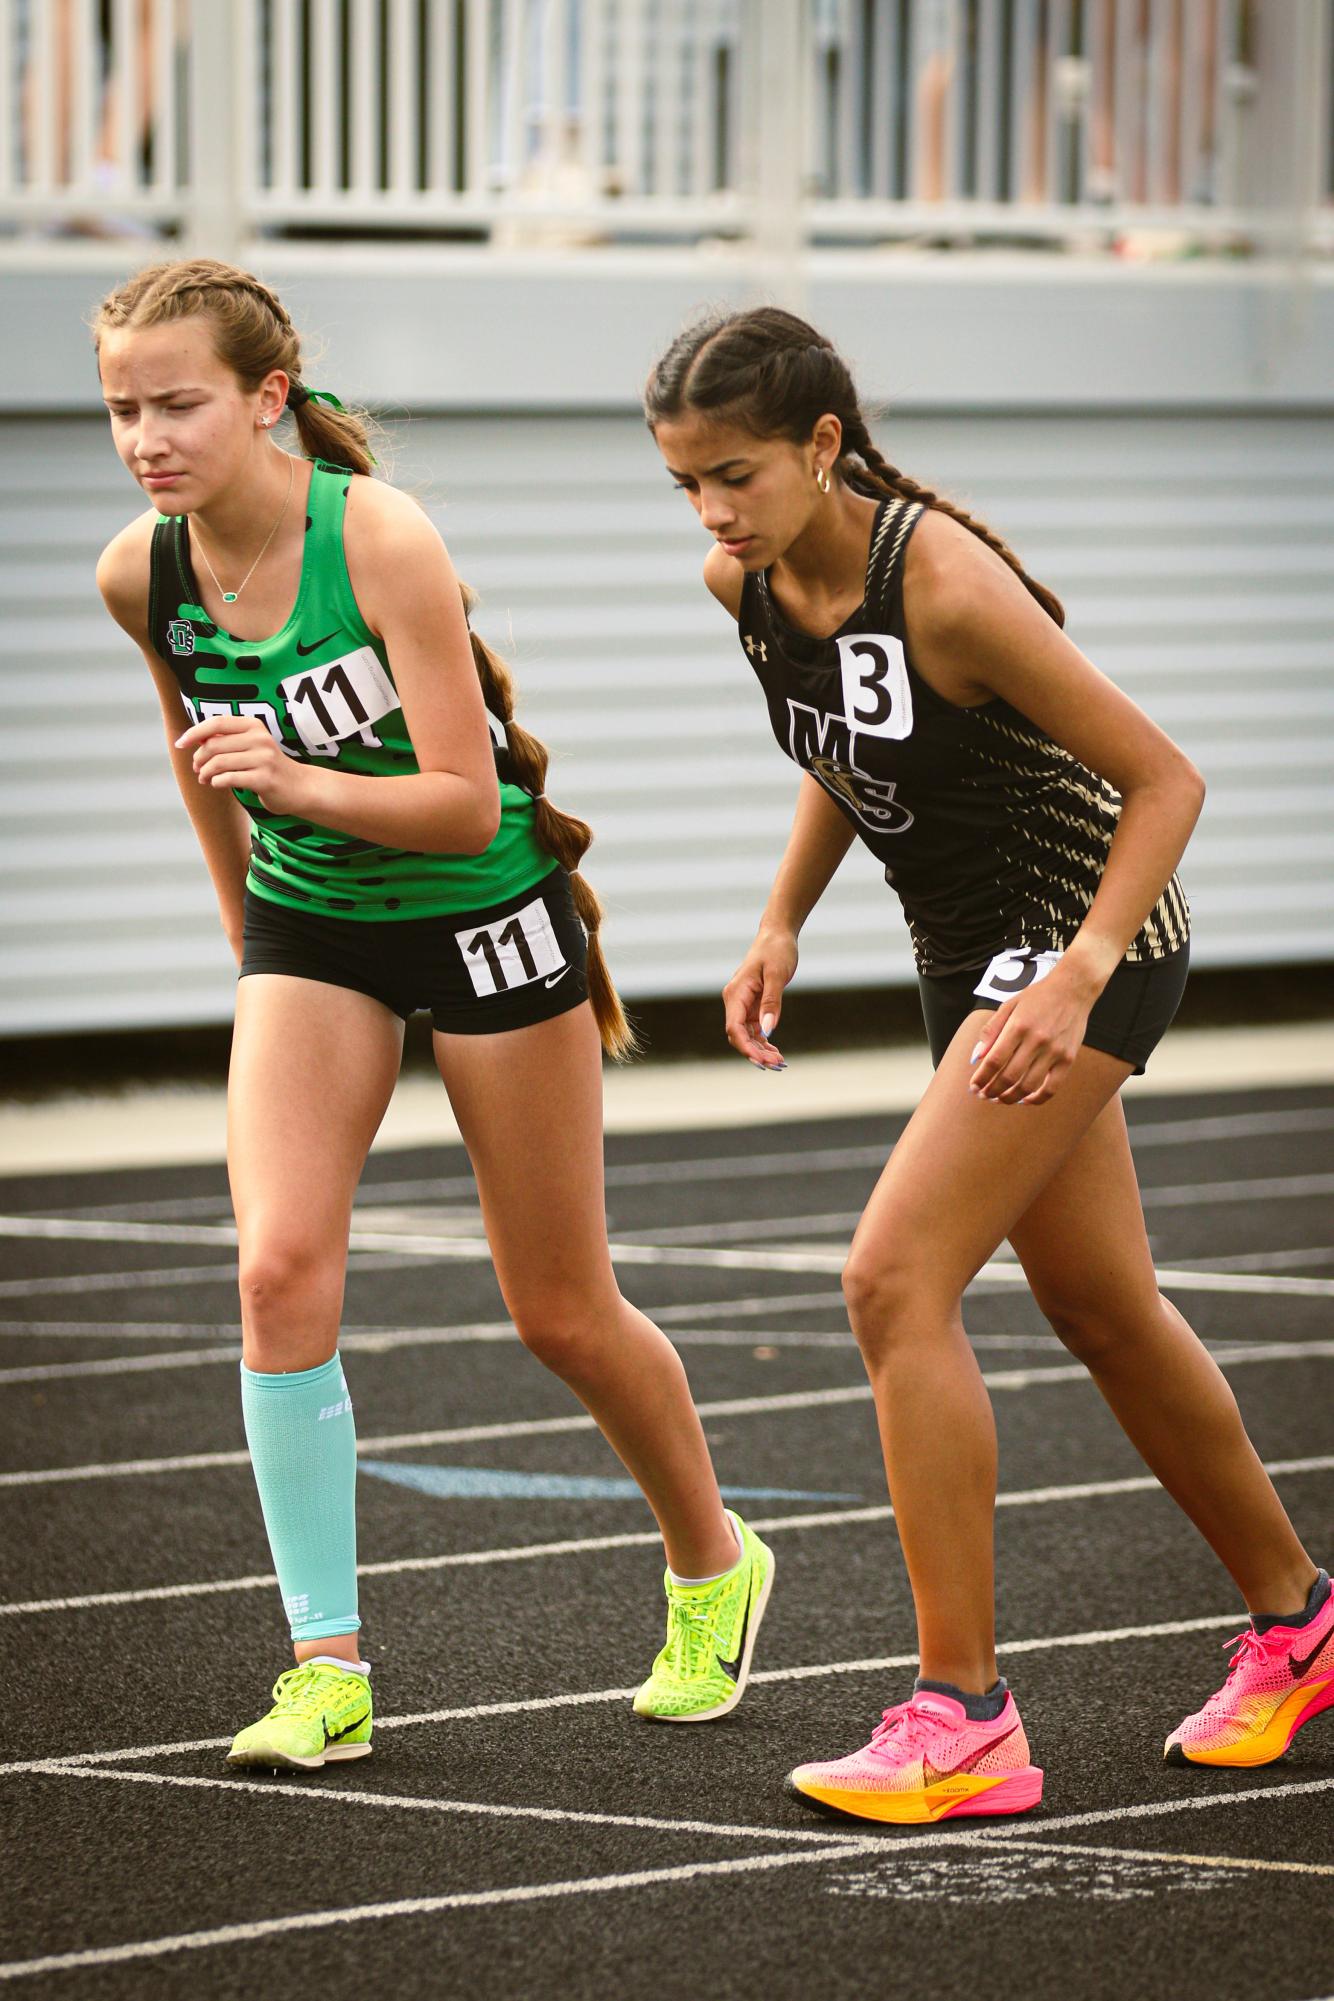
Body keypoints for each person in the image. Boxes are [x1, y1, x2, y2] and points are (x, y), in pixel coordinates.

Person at [644, 305, 1331, 1824]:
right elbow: (849, 750)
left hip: (1091, 933)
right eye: (684, 482)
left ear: (823, 447)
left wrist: (1077, 974)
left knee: (891, 1277)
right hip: (967, 959)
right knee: (1099, 1303)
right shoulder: (745, 579)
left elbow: (1166, 779)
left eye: (735, 475)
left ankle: (962, 1713)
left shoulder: (944, 581)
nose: (709, 512)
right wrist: (778, 922)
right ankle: (1300, 1622)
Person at [93, 259, 773, 1770]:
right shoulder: (140, 569)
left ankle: (712, 1561)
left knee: (558, 1309)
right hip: (311, 925)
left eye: (181, 401)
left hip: (480, 914)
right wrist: (249, 934)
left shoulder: (378, 537)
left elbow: (466, 807)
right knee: (276, 1268)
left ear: (267, 397)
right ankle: (324, 1664)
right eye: (123, 408)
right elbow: (196, 751)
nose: (148, 435)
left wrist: (296, 783)